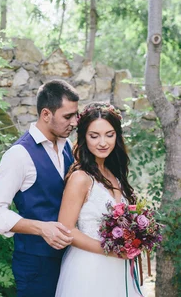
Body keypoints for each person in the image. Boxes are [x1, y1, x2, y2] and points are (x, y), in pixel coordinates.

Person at [0, 79, 80, 297]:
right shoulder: (19, 155)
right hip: (36, 265)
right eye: (68, 116)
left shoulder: (66, 144)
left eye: (75, 115)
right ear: (46, 114)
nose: (74, 122)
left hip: (70, 260)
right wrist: (42, 228)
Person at [55, 102, 142, 297]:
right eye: (94, 136)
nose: (103, 142)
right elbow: (67, 229)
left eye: (109, 135)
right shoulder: (81, 178)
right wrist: (110, 251)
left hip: (120, 269)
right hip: (90, 267)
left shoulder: (114, 173)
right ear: (84, 138)